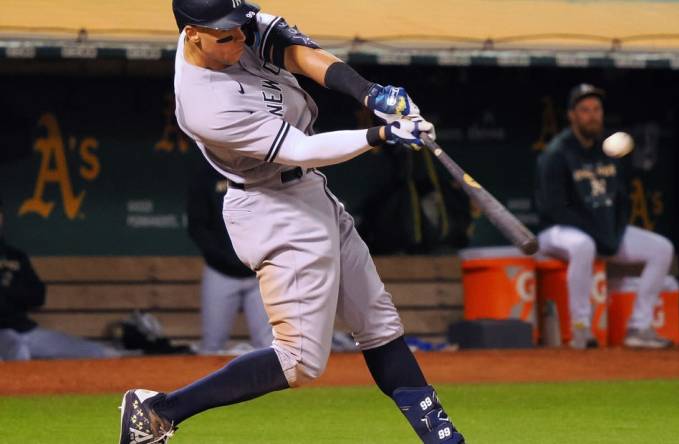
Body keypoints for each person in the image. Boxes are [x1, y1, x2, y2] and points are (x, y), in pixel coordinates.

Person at [117, 1, 464, 444]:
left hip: (307, 191)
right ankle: (158, 412)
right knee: (298, 361)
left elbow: (299, 54)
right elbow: (300, 150)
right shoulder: (204, 105)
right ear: (192, 35)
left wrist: (371, 93)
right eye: (227, 36)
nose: (241, 40)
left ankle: (444, 439)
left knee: (379, 324)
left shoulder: (231, 27)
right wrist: (383, 134)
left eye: (241, 27)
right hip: (271, 208)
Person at [535, 83, 674, 349]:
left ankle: (639, 327)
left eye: (596, 109)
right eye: (585, 110)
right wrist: (600, 234)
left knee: (662, 249)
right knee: (583, 246)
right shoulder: (557, 153)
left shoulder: (609, 150)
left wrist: (614, 232)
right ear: (572, 115)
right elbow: (555, 208)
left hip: (600, 230)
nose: (592, 115)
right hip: (556, 231)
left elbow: (621, 200)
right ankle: (581, 329)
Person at [0, 198, 117, 360]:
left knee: (95, 351)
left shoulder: (15, 257)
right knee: (18, 351)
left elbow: (38, 296)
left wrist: (8, 288)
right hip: (4, 336)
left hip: (26, 330)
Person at [187, 159, 273, 354]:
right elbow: (197, 226)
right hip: (220, 273)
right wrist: (223, 258)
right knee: (212, 345)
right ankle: (210, 386)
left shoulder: (261, 172)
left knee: (269, 345)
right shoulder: (206, 175)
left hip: (259, 272)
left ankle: (272, 385)